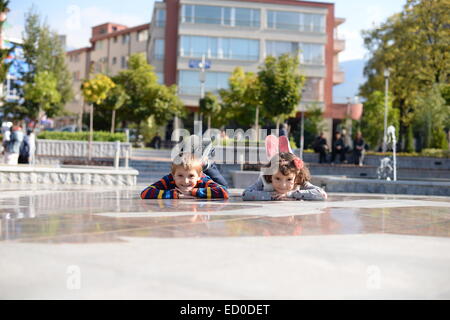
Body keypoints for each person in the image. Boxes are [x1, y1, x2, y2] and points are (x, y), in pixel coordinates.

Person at [242, 152, 327, 201]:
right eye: (277, 178)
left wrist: (290, 194)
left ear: (296, 177)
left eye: (289, 179)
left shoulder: (299, 180)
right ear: (270, 175)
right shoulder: (265, 179)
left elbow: (322, 194)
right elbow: (246, 194)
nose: (283, 185)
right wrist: (272, 196)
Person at [140, 153, 229, 199]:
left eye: (191, 176)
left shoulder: (203, 179)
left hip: (207, 176)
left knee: (223, 183)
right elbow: (145, 193)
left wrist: (193, 192)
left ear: (199, 176)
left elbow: (224, 192)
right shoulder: (169, 179)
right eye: (180, 175)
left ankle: (208, 165)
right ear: (173, 175)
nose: (186, 181)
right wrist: (175, 194)